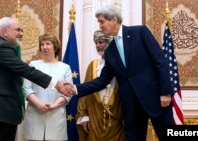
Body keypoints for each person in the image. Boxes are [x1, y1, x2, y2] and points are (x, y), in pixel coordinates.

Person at [73, 6, 174, 141]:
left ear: (114, 19)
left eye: (102, 21)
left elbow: (160, 62)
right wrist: (74, 88)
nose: (100, 26)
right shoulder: (110, 51)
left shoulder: (140, 32)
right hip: (132, 108)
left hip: (157, 99)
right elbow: (102, 81)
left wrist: (165, 92)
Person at [0, 17, 74, 141]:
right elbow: (26, 70)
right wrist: (56, 84)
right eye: (18, 30)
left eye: (22, 30)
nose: (21, 33)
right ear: (5, 32)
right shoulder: (1, 48)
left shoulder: (1, 47)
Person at [76, 30, 125, 141]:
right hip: (95, 117)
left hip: (117, 117)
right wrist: (84, 115)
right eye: (96, 43)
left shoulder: (122, 64)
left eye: (101, 42)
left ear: (110, 43)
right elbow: (85, 92)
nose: (98, 46)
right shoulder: (93, 65)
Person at [22, 33, 72, 141]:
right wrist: (39, 104)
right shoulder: (33, 65)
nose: (44, 47)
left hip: (56, 116)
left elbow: (68, 92)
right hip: (35, 114)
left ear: (55, 47)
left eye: (48, 44)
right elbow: (26, 88)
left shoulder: (65, 68)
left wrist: (54, 105)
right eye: (42, 44)